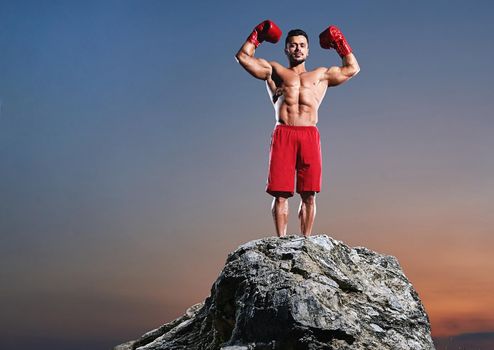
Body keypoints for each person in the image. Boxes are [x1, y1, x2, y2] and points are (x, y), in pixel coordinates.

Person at [235, 20, 360, 238]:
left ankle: (306, 242)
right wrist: (258, 35)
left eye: (302, 45)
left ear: (308, 50)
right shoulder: (275, 70)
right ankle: (281, 241)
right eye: (293, 45)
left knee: (309, 194)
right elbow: (243, 58)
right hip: (284, 133)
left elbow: (352, 68)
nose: (298, 48)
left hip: (309, 134)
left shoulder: (321, 75)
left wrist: (340, 43)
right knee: (280, 194)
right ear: (286, 48)